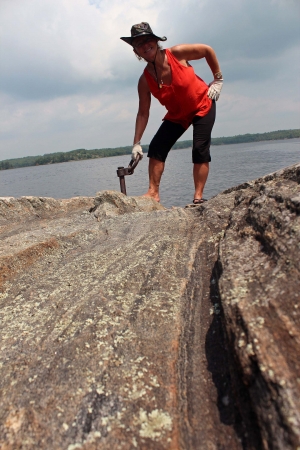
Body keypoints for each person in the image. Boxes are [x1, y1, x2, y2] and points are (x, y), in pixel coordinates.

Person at [120, 22, 223, 205]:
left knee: (199, 148)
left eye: (148, 40)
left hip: (202, 104)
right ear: (136, 51)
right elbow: (143, 113)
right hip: (177, 114)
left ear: (156, 41)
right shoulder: (144, 80)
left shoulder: (177, 53)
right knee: (157, 146)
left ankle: (198, 198)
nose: (145, 45)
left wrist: (218, 78)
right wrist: (136, 143)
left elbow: (207, 50)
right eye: (139, 44)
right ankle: (153, 193)